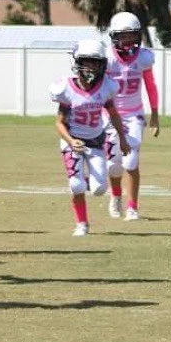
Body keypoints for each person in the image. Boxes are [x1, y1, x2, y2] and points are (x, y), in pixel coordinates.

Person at [50, 40, 131, 237]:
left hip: (95, 141)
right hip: (73, 141)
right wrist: (70, 141)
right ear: (78, 62)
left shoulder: (106, 87)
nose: (91, 67)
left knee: (99, 189)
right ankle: (82, 224)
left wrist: (123, 138)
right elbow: (59, 123)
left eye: (96, 63)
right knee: (76, 185)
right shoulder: (66, 88)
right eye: (87, 62)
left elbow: (113, 115)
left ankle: (79, 176)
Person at [103, 12, 160, 221]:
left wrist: (154, 114)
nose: (128, 40)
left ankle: (132, 207)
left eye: (132, 35)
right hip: (109, 115)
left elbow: (151, 85)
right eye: (123, 36)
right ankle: (116, 196)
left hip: (134, 114)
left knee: (131, 161)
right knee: (113, 165)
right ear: (114, 36)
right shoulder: (107, 58)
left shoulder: (143, 57)